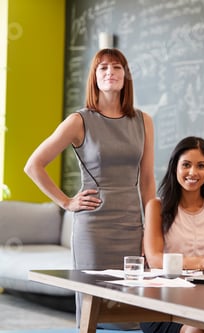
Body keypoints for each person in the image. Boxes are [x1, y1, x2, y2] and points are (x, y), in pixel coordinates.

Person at [24, 48, 155, 327]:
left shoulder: (144, 121)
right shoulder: (79, 121)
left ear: (126, 75)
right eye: (103, 68)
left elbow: (147, 180)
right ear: (94, 77)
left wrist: (152, 228)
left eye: (117, 67)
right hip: (93, 227)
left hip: (132, 225)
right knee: (94, 306)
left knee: (132, 307)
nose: (110, 72)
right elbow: (34, 165)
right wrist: (66, 202)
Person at [141, 136, 204, 333]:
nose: (193, 172)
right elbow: (154, 259)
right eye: (186, 165)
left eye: (201, 166)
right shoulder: (156, 206)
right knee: (199, 329)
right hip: (163, 302)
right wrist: (203, 262)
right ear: (175, 168)